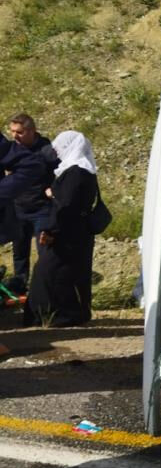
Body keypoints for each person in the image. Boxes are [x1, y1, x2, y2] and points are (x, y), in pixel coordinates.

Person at [25, 131, 99, 328]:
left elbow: (65, 205)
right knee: (70, 273)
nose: (57, 151)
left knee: (48, 271)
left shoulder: (75, 172)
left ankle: (53, 315)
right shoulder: (85, 170)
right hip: (78, 231)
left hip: (66, 231)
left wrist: (50, 230)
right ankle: (71, 313)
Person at [7, 113, 54, 293]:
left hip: (41, 209)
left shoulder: (47, 150)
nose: (14, 136)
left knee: (44, 252)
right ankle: (20, 285)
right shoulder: (13, 150)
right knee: (19, 252)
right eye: (12, 132)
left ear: (32, 131)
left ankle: (44, 289)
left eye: (19, 132)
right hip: (18, 208)